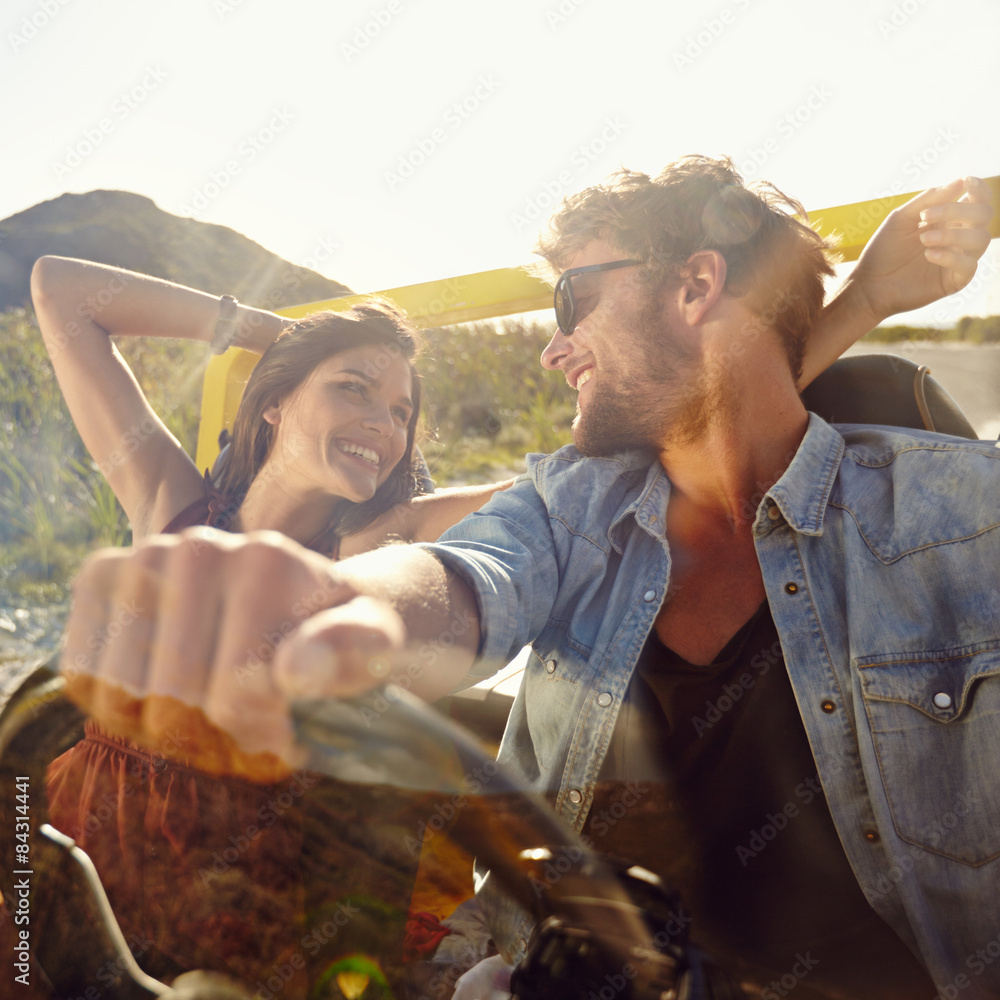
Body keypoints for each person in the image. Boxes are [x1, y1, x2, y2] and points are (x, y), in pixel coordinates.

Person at [51, 164, 995, 998]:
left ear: (698, 282)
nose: (551, 348)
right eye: (350, 386)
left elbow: (711, 415)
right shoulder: (182, 511)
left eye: (569, 301)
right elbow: (474, 573)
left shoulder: (958, 516)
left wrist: (329, 609)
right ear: (272, 406)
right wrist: (273, 335)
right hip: (85, 837)